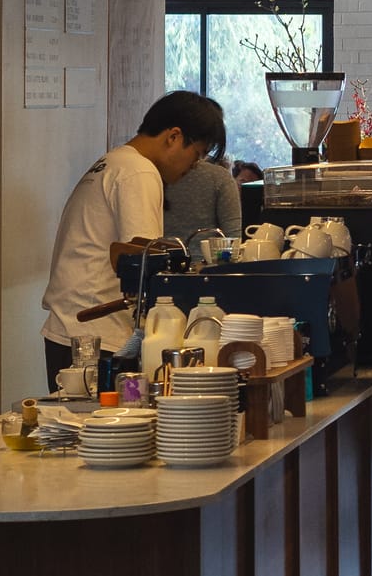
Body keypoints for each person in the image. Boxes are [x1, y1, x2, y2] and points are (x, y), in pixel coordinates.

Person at [42, 91, 226, 388]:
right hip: (97, 334)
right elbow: (144, 258)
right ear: (174, 137)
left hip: (71, 327)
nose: (194, 166)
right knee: (107, 427)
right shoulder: (139, 171)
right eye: (197, 154)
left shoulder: (115, 161)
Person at [162, 144, 242, 245]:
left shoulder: (154, 173)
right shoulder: (220, 177)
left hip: (159, 256)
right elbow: (233, 236)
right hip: (209, 258)